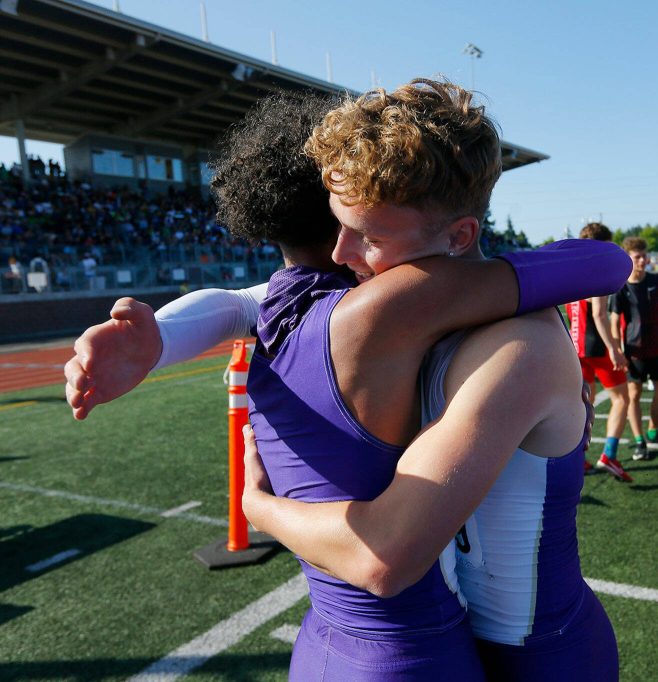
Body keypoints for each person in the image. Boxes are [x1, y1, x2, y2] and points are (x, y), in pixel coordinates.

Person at [66, 83, 626, 681]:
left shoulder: (519, 343)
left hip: (542, 655)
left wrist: (258, 505)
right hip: (456, 642)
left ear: (459, 237)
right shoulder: (401, 301)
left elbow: (382, 554)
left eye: (369, 236)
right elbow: (247, 302)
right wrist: (159, 343)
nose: (340, 253)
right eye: (338, 225)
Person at [567, 222, 633, 482]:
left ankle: (578, 460)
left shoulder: (572, 269)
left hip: (575, 347)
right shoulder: (599, 268)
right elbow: (599, 314)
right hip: (597, 347)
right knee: (621, 399)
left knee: (583, 408)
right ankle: (609, 455)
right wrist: (614, 348)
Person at [610, 236, 658, 461]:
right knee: (634, 395)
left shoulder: (657, 281)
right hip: (634, 351)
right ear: (628, 258)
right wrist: (617, 350)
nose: (643, 260)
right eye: (637, 256)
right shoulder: (620, 287)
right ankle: (640, 441)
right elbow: (614, 323)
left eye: (644, 255)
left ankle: (653, 431)